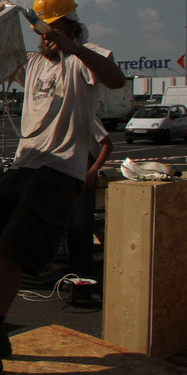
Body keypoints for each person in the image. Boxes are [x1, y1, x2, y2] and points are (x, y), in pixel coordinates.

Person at [0, 0, 126, 375]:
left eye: (54, 29)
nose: (46, 38)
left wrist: (73, 47)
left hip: (59, 173)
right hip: (25, 165)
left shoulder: (85, 61)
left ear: (71, 25)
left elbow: (116, 79)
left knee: (13, 250)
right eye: (42, 31)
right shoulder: (35, 64)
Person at [67, 117, 112, 281]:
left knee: (81, 227)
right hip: (67, 175)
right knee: (69, 228)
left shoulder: (88, 117)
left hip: (84, 177)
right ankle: (72, 272)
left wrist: (93, 170)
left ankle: (82, 273)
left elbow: (107, 144)